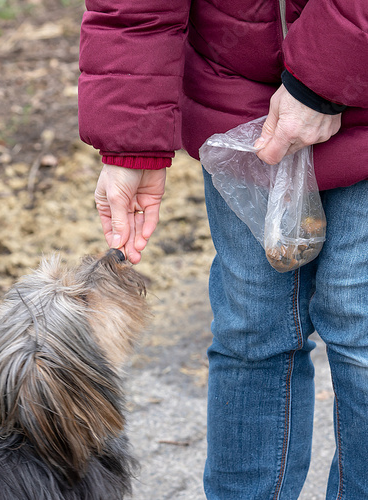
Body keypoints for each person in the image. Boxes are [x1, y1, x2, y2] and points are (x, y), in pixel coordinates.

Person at [78, 1, 368, 499]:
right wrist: (132, 144)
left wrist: (324, 80)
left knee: (358, 325)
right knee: (251, 328)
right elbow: (134, 10)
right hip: (240, 107)